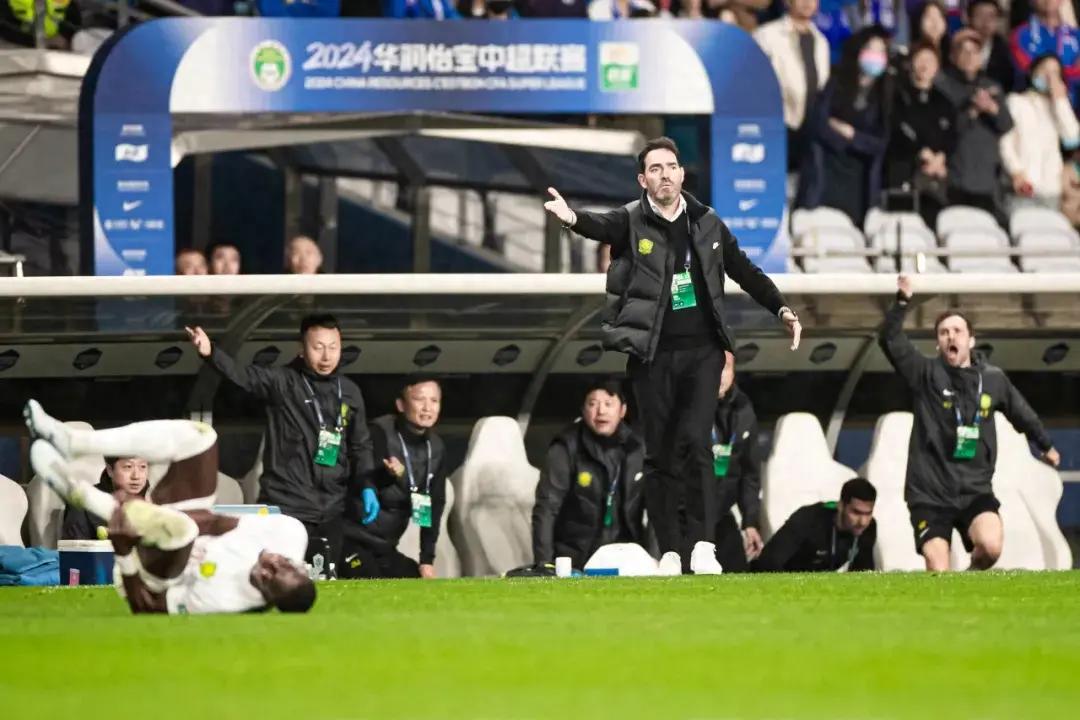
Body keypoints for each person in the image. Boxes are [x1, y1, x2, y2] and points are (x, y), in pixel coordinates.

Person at [542, 136, 801, 575]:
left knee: (697, 443)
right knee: (660, 455)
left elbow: (744, 270)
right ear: (643, 180)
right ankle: (671, 551)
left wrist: (782, 308)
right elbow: (600, 225)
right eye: (655, 169)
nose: (664, 175)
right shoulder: (630, 220)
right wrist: (570, 218)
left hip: (704, 354)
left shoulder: (708, 222)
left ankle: (703, 546)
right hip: (651, 356)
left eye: (671, 167)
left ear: (681, 173)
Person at [24, 402, 315, 614]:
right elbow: (217, 521)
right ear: (300, 566)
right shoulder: (289, 532)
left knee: (181, 530)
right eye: (283, 565)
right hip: (178, 525)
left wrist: (125, 553)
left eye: (267, 578)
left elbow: (146, 606)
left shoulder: (227, 599)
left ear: (266, 597)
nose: (270, 564)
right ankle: (72, 440)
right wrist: (156, 514)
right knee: (202, 436)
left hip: (150, 573)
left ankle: (81, 494)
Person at [879, 275, 1061, 571]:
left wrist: (1046, 445)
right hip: (929, 493)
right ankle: (945, 595)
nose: (951, 337)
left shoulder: (992, 380)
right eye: (944, 332)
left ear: (971, 340)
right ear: (938, 343)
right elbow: (889, 339)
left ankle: (968, 580)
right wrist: (901, 301)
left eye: (957, 331)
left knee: (991, 547)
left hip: (974, 491)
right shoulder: (924, 374)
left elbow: (1022, 413)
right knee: (938, 567)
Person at [186, 313, 376, 570]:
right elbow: (243, 376)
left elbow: (361, 445)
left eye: (333, 347)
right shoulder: (282, 382)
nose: (326, 356)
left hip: (332, 509)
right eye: (318, 347)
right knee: (283, 579)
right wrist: (211, 354)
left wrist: (367, 485)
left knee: (326, 580)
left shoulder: (350, 391)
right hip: (288, 507)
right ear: (301, 349)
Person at [531, 381, 647, 571]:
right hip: (576, 558)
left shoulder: (637, 448)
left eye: (608, 404)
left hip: (626, 556)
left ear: (622, 410)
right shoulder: (566, 447)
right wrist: (544, 564)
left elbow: (657, 510)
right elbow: (546, 508)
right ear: (583, 410)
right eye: (593, 404)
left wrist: (657, 559)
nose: (601, 411)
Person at [340, 378, 447, 579]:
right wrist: (387, 475)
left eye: (434, 400)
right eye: (419, 399)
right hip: (351, 541)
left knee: (415, 582)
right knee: (369, 580)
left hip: (385, 548)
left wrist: (426, 560)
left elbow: (435, 504)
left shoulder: (436, 447)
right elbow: (362, 477)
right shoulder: (378, 431)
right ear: (401, 405)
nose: (427, 407)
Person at [797, 26, 893, 225]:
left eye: (881, 51)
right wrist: (842, 139)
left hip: (859, 182)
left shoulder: (886, 94)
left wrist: (852, 135)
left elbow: (881, 143)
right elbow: (818, 123)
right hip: (826, 175)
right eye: (870, 49)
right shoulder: (835, 82)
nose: (875, 56)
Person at [937, 29, 1013, 221]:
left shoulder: (992, 86)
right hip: (958, 177)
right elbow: (948, 130)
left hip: (988, 179)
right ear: (953, 56)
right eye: (964, 51)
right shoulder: (944, 86)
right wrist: (973, 110)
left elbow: (1007, 124)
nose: (970, 56)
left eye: (975, 51)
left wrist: (992, 108)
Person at [754, 0, 832, 170]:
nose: (807, 2)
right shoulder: (766, 35)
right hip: (776, 127)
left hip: (810, 130)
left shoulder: (821, 41)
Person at [886, 41, 957, 227]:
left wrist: (940, 157)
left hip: (936, 180)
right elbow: (897, 128)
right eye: (920, 59)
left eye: (930, 60)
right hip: (904, 173)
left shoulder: (944, 102)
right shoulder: (897, 97)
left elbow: (951, 136)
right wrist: (921, 152)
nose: (925, 65)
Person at [1000, 54, 1080, 212]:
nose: (1049, 77)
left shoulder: (1058, 106)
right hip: (1022, 185)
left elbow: (1072, 138)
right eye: (1044, 70)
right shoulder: (1016, 101)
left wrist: (1061, 101)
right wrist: (1015, 172)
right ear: (1033, 72)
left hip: (1050, 189)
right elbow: (1005, 142)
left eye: (1055, 73)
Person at [755, 477, 878, 572]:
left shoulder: (868, 528)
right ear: (841, 506)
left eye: (868, 513)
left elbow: (862, 574)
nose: (863, 522)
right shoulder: (808, 519)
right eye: (856, 512)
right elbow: (767, 563)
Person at [709, 369, 764, 573]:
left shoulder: (744, 409)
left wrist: (749, 522)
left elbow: (749, 472)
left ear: (733, 372)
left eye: (724, 368)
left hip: (721, 514)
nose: (718, 375)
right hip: (686, 515)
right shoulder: (684, 406)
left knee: (738, 575)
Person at [61, 456, 149, 541]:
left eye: (143, 467)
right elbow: (74, 548)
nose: (136, 476)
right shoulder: (84, 502)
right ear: (110, 470)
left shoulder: (152, 502)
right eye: (128, 467)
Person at [1010, 0, 1080, 104]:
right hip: (1035, 105)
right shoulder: (1019, 35)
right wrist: (1070, 73)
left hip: (1074, 106)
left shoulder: (1076, 36)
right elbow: (1031, 75)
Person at [968, 0, 1016, 93]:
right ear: (969, 18)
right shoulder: (959, 45)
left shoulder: (1004, 50)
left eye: (991, 16)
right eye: (980, 15)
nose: (986, 21)